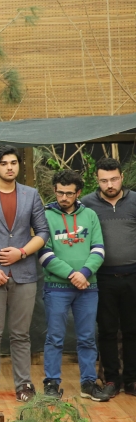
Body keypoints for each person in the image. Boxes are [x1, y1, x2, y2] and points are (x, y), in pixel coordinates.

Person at [0, 145, 49, 407]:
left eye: (14, 163)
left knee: (21, 334)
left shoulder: (31, 195)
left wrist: (22, 253)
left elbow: (43, 233)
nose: (10, 167)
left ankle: (24, 385)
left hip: (25, 274)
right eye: (4, 163)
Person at [39, 170, 107, 401]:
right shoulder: (45, 215)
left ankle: (88, 384)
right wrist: (72, 275)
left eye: (69, 193)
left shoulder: (90, 215)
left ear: (78, 193)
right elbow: (43, 252)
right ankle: (51, 383)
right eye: (60, 193)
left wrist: (85, 273)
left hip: (88, 288)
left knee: (87, 337)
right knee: (54, 338)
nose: (64, 197)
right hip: (56, 288)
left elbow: (98, 249)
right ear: (55, 191)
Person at [81, 157, 136, 399]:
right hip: (101, 277)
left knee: (133, 330)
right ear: (97, 180)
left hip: (133, 275)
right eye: (104, 180)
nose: (110, 184)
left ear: (122, 177)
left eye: (114, 179)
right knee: (107, 331)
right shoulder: (87, 204)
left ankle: (132, 380)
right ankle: (112, 379)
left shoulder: (134, 201)